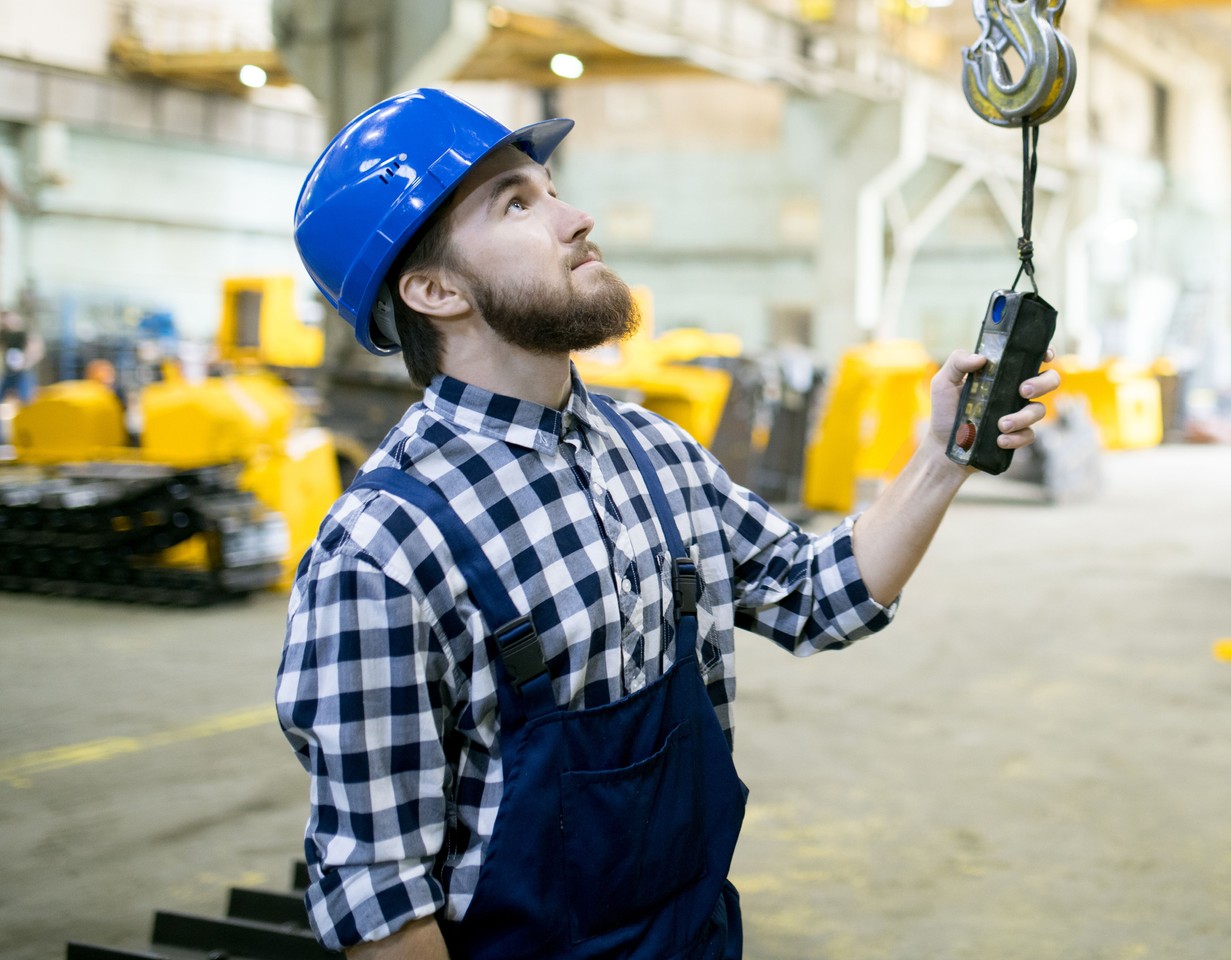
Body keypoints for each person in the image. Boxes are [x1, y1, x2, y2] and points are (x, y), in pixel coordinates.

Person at [276, 89, 1058, 960]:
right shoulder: (384, 548)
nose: (577, 219)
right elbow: (382, 907)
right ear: (433, 289)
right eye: (518, 203)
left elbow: (817, 595)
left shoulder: (654, 451)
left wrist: (942, 456)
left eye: (552, 187)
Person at [0, 307, 41, 406]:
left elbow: (36, 350)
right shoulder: (5, 333)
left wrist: (26, 362)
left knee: (25, 399)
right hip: (10, 371)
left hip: (23, 371)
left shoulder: (24, 332)